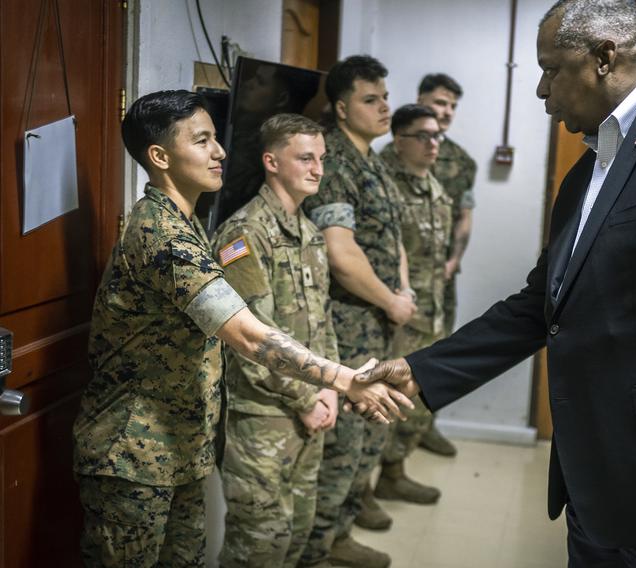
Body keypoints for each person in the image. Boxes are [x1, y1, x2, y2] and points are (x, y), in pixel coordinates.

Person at [360, 1, 636, 566]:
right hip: (597, 480)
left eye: (551, 69)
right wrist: (420, 369)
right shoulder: (590, 169)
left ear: (604, 57)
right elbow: (542, 304)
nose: (541, 90)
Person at [73, 90, 410, 568]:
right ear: (160, 156)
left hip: (180, 446)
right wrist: (342, 379)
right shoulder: (162, 235)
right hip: (132, 455)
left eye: (216, 138)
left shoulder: (186, 223)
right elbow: (250, 334)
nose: (220, 152)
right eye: (203, 141)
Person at [300, 56, 415, 568]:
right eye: (371, 99)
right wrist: (392, 300)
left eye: (385, 96)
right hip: (350, 324)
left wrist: (404, 291)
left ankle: (340, 532)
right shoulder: (337, 163)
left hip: (381, 322)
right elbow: (341, 254)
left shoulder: (373, 159)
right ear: (342, 108)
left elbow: (392, 237)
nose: (384, 106)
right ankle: (317, 550)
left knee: (371, 432)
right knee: (344, 442)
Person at [212, 114, 338, 566]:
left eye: (321, 158)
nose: (318, 169)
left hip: (309, 410)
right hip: (260, 417)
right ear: (271, 161)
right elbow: (248, 340)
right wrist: (309, 398)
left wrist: (331, 388)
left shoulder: (309, 233)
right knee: (260, 545)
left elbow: (322, 321)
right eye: (305, 158)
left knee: (298, 532)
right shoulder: (243, 235)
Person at [375, 104, 451, 504]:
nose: (433, 143)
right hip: (396, 317)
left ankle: (393, 472)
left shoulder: (432, 184)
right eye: (423, 136)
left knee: (415, 403)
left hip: (430, 311)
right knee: (384, 404)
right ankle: (367, 489)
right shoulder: (386, 184)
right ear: (399, 140)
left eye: (437, 135)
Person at [415, 73, 478, 457]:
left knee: (437, 351)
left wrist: (454, 260)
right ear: (421, 100)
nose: (446, 111)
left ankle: (425, 426)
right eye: (440, 102)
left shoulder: (460, 162)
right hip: (401, 281)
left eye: (452, 106)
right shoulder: (396, 151)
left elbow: (464, 216)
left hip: (441, 278)